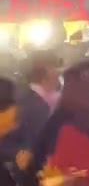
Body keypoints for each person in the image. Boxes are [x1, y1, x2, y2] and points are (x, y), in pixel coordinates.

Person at [5, 51, 60, 180]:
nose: (60, 75)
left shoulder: (51, 100)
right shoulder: (27, 103)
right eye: (57, 69)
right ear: (48, 71)